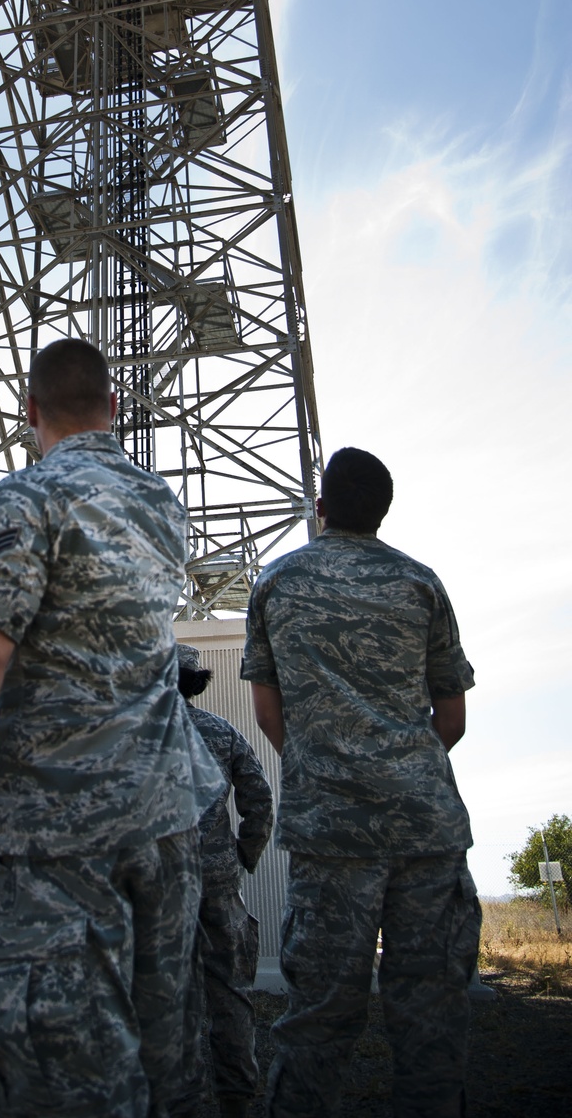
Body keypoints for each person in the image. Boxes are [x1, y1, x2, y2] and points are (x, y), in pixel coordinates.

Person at [0, 339, 224, 1118]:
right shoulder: (162, 503)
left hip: (62, 831)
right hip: (168, 817)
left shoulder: (28, 496)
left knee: (62, 1066)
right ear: (114, 408)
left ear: (29, 410)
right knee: (164, 1050)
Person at [241, 447, 480, 1118]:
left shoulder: (278, 583)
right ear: (383, 509)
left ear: (320, 506)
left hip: (331, 832)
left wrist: (326, 772)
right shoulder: (420, 582)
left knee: (316, 1021)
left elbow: (268, 711)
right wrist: (402, 772)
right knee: (431, 1020)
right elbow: (452, 715)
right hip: (427, 830)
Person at [176, 644, 274, 1118]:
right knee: (231, 996)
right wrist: (242, 855)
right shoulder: (222, 732)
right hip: (217, 882)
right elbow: (260, 798)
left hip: (155, 890)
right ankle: (237, 1100)